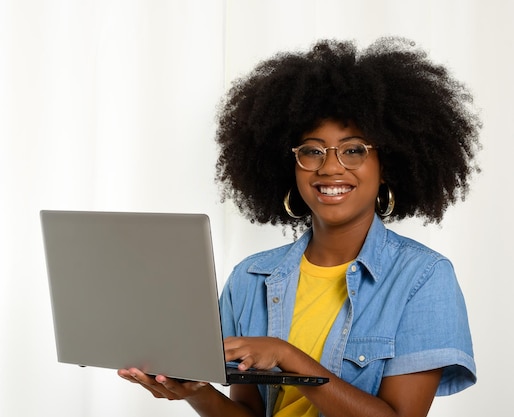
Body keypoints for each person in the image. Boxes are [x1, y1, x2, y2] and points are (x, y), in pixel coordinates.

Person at [118, 37, 480, 417]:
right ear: (288, 165)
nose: (330, 167)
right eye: (312, 150)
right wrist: (193, 390)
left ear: (387, 163)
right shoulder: (250, 278)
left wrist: (288, 357)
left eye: (353, 149)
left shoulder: (422, 278)